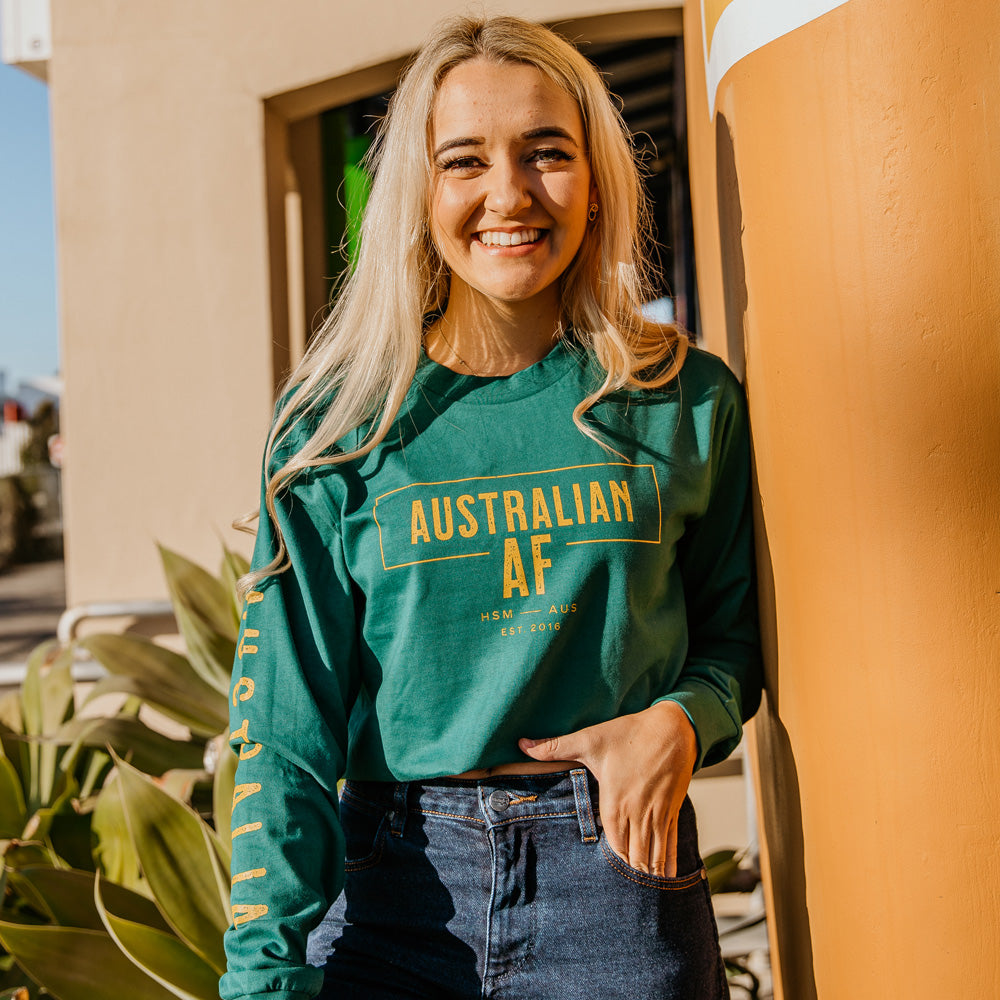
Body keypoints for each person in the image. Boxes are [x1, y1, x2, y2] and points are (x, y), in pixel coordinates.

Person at [220, 14, 761, 1000]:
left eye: (546, 153)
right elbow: (281, 730)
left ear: (594, 175)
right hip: (392, 895)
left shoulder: (688, 401)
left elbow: (738, 639)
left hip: (619, 891)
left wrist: (683, 720)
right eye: (463, 161)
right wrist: (263, 976)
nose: (509, 194)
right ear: (417, 196)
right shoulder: (337, 423)